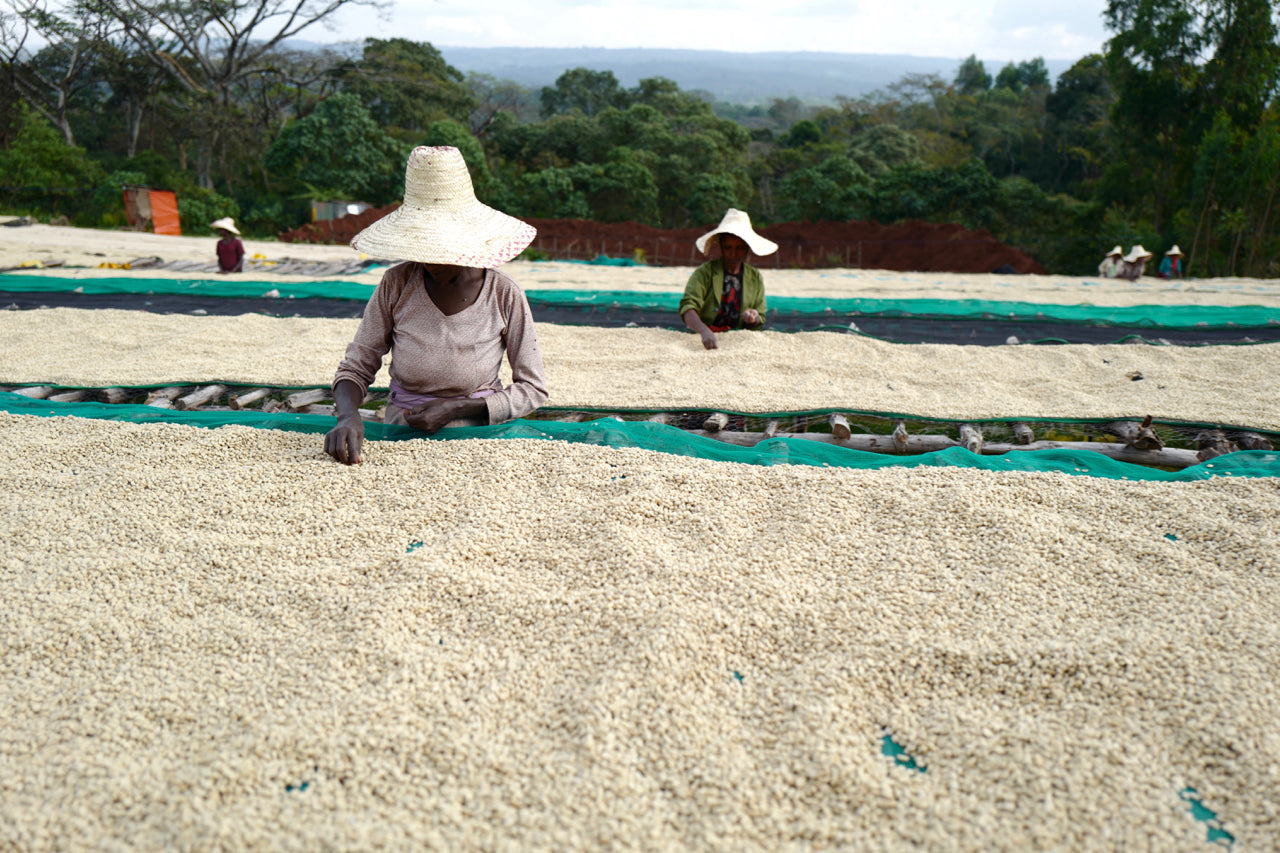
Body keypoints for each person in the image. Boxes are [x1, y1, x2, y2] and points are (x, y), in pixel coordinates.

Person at [324, 146, 548, 465]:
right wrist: (347, 415)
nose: (430, 261)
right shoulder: (397, 283)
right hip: (402, 432)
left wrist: (457, 408)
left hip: (481, 438)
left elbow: (533, 389)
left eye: (441, 248)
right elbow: (357, 365)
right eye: (422, 246)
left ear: (467, 237)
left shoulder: (503, 293)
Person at [678, 208, 778, 350]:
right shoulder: (705, 273)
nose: (733, 253)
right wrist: (704, 330)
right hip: (704, 338)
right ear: (721, 246)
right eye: (728, 247)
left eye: (739, 248)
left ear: (747, 248)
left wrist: (753, 318)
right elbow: (688, 307)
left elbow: (760, 316)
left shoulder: (754, 277)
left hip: (738, 341)